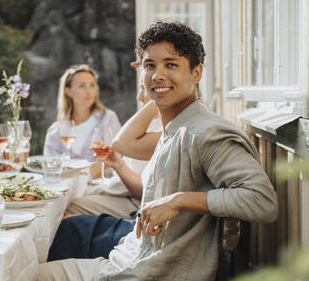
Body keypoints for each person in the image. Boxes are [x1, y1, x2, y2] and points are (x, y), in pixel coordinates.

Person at [38, 21, 278, 281]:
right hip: (128, 257)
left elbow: (263, 201)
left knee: (26, 274)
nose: (157, 75)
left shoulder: (207, 133)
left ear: (196, 73)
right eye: (150, 66)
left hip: (150, 273)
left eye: (171, 64)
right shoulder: (175, 129)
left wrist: (178, 200)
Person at [63, 70, 162, 219]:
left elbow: (145, 191)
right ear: (67, 91)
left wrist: (117, 164)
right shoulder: (58, 127)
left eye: (144, 88)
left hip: (134, 201)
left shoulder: (163, 130)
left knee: (65, 207)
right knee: (62, 199)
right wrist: (117, 163)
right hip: (119, 189)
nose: (139, 97)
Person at [43, 64, 121, 175]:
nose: (88, 91)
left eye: (92, 85)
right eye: (82, 86)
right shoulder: (55, 130)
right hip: (66, 188)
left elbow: (117, 161)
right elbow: (50, 168)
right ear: (68, 91)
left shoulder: (108, 119)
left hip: (101, 188)